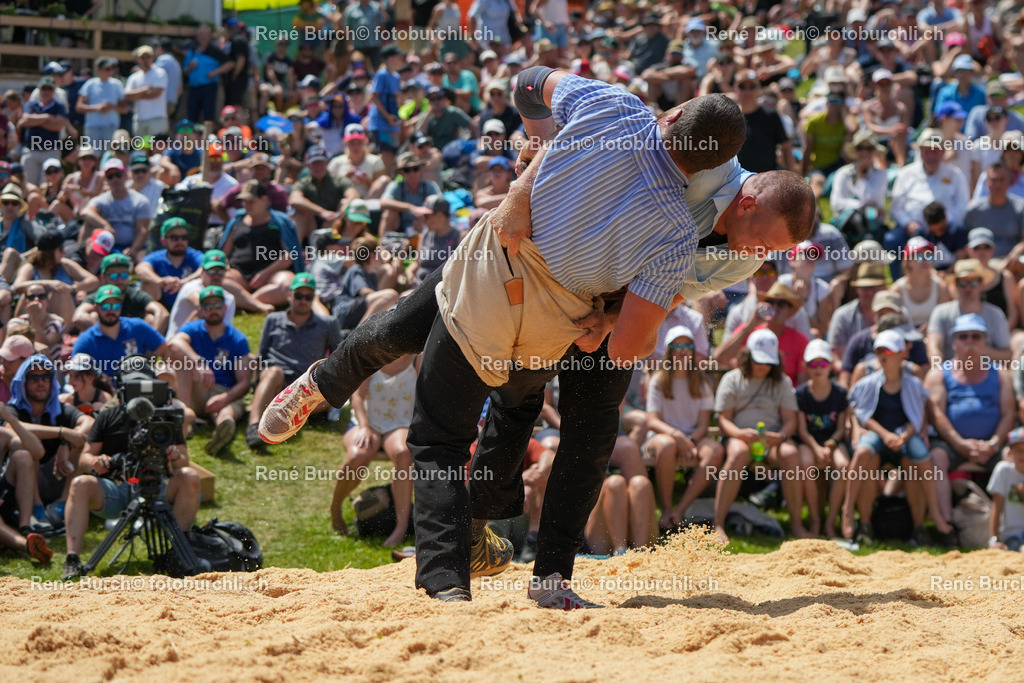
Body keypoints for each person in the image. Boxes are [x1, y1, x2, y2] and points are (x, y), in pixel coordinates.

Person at [262, 72, 811, 606]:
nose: (758, 255)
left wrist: (616, 317)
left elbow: (670, 293)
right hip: (519, 254)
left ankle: (547, 573)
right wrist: (523, 188)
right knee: (409, 328)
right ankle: (323, 384)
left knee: (586, 432)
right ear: (744, 202)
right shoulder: (684, 147)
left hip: (600, 309)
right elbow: (545, 103)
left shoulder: (736, 256)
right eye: (761, 239)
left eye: (771, 251)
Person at [61, 388, 200, 580]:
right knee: (80, 483)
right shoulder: (108, 416)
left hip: (158, 485)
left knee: (190, 476)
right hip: (116, 488)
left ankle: (177, 554)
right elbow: (84, 458)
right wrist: (97, 461)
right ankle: (72, 560)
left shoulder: (166, 418)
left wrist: (174, 455)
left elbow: (183, 462)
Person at [845, 330, 956, 546]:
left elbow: (918, 415)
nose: (882, 354)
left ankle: (933, 513)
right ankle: (848, 510)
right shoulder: (869, 382)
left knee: (922, 458)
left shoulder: (913, 383)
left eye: (887, 350)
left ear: (900, 354)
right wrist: (885, 435)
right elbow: (862, 415)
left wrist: (904, 436)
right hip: (879, 435)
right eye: (879, 350)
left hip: (903, 435)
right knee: (863, 453)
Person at [714, 330, 806, 542]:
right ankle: (718, 523)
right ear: (747, 356)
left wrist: (780, 436)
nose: (763, 366)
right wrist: (740, 434)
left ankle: (797, 525)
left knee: (791, 454)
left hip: (771, 441)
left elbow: (790, 420)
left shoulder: (782, 382)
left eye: (768, 361)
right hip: (739, 438)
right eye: (758, 360)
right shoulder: (731, 379)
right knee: (738, 453)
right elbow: (723, 420)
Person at [926, 314, 1014, 524]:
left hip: (992, 445)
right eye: (963, 336)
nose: (969, 342)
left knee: (1014, 457)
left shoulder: (1001, 373)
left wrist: (993, 444)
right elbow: (936, 415)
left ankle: (1010, 528)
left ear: (985, 341)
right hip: (952, 444)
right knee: (935, 458)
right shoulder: (939, 374)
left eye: (976, 336)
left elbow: (1009, 413)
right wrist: (960, 444)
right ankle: (946, 526)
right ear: (954, 342)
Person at [246, 272, 342, 450]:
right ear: (289, 295)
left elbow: (338, 358)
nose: (303, 300)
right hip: (277, 380)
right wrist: (255, 381)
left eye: (308, 296)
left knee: (327, 392)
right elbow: (261, 355)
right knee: (273, 372)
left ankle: (282, 416)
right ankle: (253, 428)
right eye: (298, 295)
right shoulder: (273, 319)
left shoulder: (328, 323)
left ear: (313, 299)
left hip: (308, 386)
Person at [330, 353, 417, 546]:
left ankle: (401, 527)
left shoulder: (417, 359)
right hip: (367, 422)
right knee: (359, 454)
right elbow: (358, 397)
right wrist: (364, 426)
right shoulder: (373, 356)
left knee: (403, 454)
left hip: (400, 423)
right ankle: (335, 509)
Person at [644, 325, 722, 531]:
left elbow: (705, 425)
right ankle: (667, 509)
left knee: (716, 452)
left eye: (687, 346)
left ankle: (679, 510)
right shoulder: (658, 381)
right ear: (669, 350)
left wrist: (691, 442)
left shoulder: (702, 383)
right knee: (667, 445)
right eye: (677, 346)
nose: (683, 351)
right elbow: (652, 421)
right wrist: (677, 436)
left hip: (692, 437)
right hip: (663, 437)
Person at [5, 355, 94, 535]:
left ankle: (62, 504)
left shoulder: (58, 408)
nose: (41, 383)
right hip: (21, 480)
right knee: (29, 447)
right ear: (23, 382)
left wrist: (66, 443)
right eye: (34, 378)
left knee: (79, 442)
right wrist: (62, 432)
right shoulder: (13, 408)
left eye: (45, 377)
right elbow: (12, 426)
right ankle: (36, 509)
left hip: (57, 475)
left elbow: (89, 422)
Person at [170, 286, 252, 456]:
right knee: (180, 360)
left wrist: (225, 398)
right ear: (200, 310)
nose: (213, 310)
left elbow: (244, 382)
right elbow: (174, 343)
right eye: (207, 307)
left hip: (225, 391)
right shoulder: (193, 328)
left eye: (217, 305)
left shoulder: (238, 339)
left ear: (225, 308)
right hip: (197, 389)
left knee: (227, 411)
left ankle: (221, 432)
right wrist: (198, 363)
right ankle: (187, 417)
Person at [220, 180, 306, 308]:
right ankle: (255, 303)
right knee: (216, 279)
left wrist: (264, 274)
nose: (246, 205)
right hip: (238, 277)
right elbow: (223, 253)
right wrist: (224, 264)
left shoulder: (279, 222)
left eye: (251, 201)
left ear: (264, 200)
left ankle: (245, 301)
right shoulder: (236, 222)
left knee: (288, 284)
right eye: (244, 201)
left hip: (270, 276)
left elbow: (289, 256)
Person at [795, 339, 849, 538]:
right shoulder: (800, 394)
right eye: (813, 364)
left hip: (833, 442)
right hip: (809, 442)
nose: (818, 368)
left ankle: (830, 521)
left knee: (844, 467)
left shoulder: (840, 393)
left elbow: (841, 428)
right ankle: (815, 518)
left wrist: (831, 444)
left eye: (823, 363)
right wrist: (817, 448)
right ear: (806, 367)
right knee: (807, 464)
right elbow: (802, 430)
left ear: (831, 366)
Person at [886, 129, 969, 258]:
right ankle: (901, 276)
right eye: (927, 151)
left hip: (946, 230)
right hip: (914, 230)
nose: (931, 156)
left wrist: (943, 224)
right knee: (892, 240)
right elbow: (896, 207)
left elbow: (962, 205)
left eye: (935, 151)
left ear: (943, 152)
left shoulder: (955, 174)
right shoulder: (906, 174)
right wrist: (908, 223)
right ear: (920, 152)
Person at [715, 281, 809, 385]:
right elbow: (718, 360)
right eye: (770, 302)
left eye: (781, 304)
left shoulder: (800, 340)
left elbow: (802, 381)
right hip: (747, 392)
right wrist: (749, 326)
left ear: (791, 311)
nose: (775, 307)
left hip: (781, 396)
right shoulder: (748, 330)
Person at [71, 285, 171, 378]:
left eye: (116, 306)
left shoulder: (137, 327)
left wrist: (157, 370)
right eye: (105, 307)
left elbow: (165, 350)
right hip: (105, 391)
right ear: (96, 308)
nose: (111, 311)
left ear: (121, 307)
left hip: (137, 385)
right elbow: (75, 373)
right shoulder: (86, 341)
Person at [926, 259, 1011, 364]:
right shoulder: (940, 312)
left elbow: (1007, 356)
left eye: (974, 283)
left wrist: (978, 349)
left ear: (982, 284)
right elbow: (933, 347)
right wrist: (940, 371)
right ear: (955, 285)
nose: (968, 287)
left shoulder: (996, 314)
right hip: (950, 375)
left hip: (987, 376)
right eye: (963, 283)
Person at [0, 402, 50, 562]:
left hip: (3, 499)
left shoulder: (3, 434)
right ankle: (26, 545)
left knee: (24, 456)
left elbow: (37, 451)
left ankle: (25, 528)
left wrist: (11, 420)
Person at [73, 253, 168, 335]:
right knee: (93, 316)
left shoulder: (135, 295)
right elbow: (78, 317)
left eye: (123, 275)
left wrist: (153, 341)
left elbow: (162, 313)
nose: (119, 280)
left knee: (150, 318)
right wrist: (110, 335)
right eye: (114, 276)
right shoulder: (96, 296)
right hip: (105, 342)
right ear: (103, 277)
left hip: (133, 343)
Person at [79, 159, 151, 258]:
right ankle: (81, 257)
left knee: (141, 260)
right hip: (106, 246)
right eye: (110, 176)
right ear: (106, 180)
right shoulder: (101, 200)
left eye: (118, 175)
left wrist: (133, 249)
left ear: (125, 175)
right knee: (88, 224)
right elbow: (85, 212)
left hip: (132, 247)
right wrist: (105, 225)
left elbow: (142, 231)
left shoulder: (140, 201)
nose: (115, 179)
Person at [289, 146, 360, 242]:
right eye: (315, 164)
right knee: (301, 213)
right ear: (309, 166)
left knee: (345, 203)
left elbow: (353, 195)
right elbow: (294, 200)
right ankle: (296, 251)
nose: (318, 167)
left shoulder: (339, 181)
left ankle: (342, 244)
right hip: (311, 225)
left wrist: (339, 214)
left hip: (335, 224)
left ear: (327, 163)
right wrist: (322, 212)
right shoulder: (303, 183)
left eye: (321, 163)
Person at [134, 217, 204, 311]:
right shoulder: (157, 256)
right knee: (148, 283)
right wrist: (160, 281)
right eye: (174, 238)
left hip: (187, 305)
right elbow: (141, 269)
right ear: (163, 241)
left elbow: (207, 267)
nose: (180, 241)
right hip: (160, 305)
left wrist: (184, 283)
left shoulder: (194, 255)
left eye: (184, 237)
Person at [965, 162, 1024, 257]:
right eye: (994, 180)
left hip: (1012, 264)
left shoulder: (1021, 208)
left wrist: (1014, 255)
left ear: (1009, 181)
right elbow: (964, 242)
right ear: (986, 183)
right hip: (980, 264)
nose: (998, 185)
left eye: (1002, 180)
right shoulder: (974, 211)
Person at [17, 77, 68, 186]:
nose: (46, 91)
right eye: (44, 88)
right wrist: (48, 117)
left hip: (50, 151)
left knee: (48, 185)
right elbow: (25, 120)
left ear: (53, 91)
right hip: (31, 150)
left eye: (49, 89)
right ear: (39, 90)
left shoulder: (59, 106)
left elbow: (58, 125)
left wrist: (36, 121)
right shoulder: (31, 104)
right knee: (29, 185)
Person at [183, 25, 235, 125]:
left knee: (209, 115)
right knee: (192, 116)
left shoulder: (215, 51)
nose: (203, 37)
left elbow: (231, 63)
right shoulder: (192, 52)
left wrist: (215, 72)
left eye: (205, 34)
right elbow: (185, 71)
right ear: (197, 37)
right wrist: (189, 67)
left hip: (209, 87)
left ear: (209, 36)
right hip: (193, 88)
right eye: (200, 34)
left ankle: (208, 137)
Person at [379, 152, 442, 235]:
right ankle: (383, 245)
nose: (412, 173)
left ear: (421, 170)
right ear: (402, 173)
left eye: (415, 169)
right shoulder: (396, 186)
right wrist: (410, 208)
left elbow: (441, 204)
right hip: (400, 228)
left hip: (426, 226)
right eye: (407, 170)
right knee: (389, 213)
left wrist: (425, 216)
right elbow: (383, 202)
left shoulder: (430, 186)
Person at [986, 427, 1024, 552]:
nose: (1022, 455)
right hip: (1011, 536)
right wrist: (994, 539)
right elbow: (997, 507)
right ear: (1009, 453)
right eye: (1018, 450)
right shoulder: (1004, 471)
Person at [123, 45, 168, 137]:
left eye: (148, 57)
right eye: (143, 57)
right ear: (138, 59)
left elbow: (156, 93)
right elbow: (128, 96)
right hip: (140, 119)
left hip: (157, 118)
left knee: (156, 149)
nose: (145, 60)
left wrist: (137, 95)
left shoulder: (160, 72)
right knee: (142, 149)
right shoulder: (134, 77)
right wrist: (145, 89)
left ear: (153, 58)